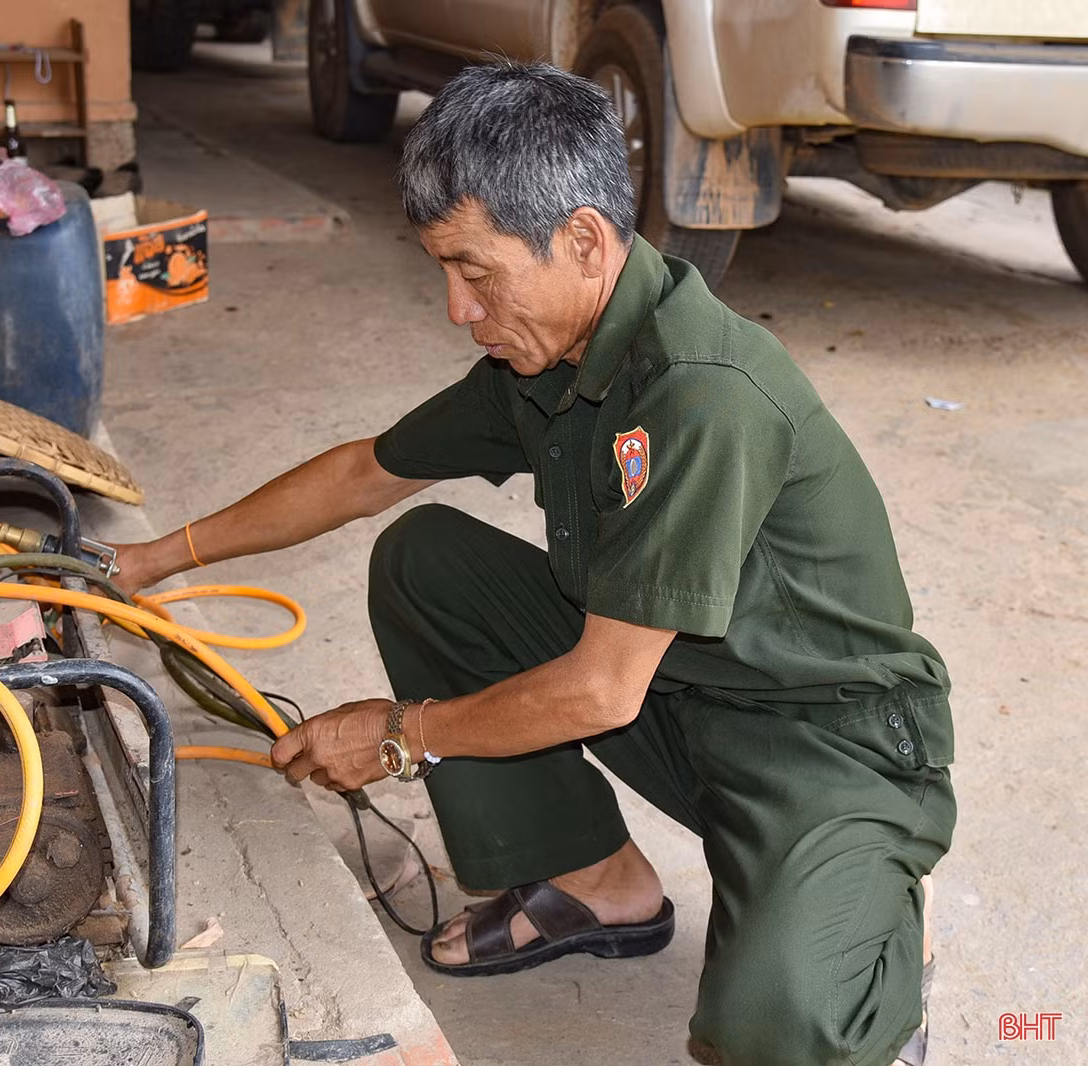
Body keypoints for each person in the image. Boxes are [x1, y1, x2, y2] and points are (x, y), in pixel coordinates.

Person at [111, 62, 954, 1066]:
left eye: (475, 269)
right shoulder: (546, 359)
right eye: (442, 271)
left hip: (825, 741)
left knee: (769, 1030)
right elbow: (362, 473)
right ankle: (596, 878)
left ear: (585, 240)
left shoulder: (701, 393)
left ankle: (879, 910)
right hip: (682, 699)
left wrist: (398, 735)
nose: (457, 308)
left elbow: (601, 689)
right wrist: (151, 558)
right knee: (427, 560)